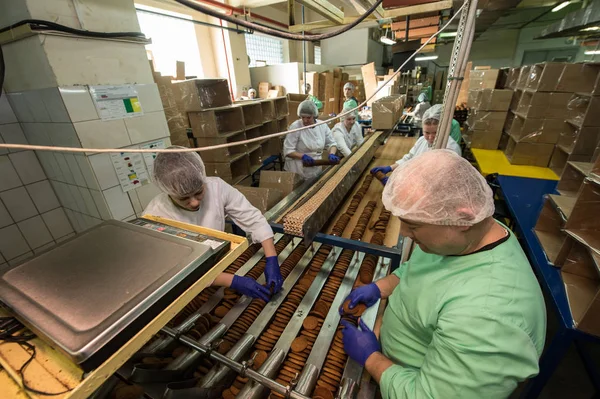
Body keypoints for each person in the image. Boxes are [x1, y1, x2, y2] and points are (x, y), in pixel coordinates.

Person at [341, 150, 546, 399]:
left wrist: (372, 359)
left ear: (463, 219)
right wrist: (383, 286)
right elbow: (423, 267)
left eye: (414, 225)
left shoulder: (489, 315)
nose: (404, 233)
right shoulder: (467, 237)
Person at [144, 148, 283, 302]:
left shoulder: (216, 187)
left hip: (218, 263)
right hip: (188, 283)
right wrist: (232, 281)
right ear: (168, 192)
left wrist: (271, 258)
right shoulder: (155, 216)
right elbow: (173, 270)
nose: (195, 202)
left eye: (198, 192)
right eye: (184, 199)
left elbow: (253, 219)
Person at [370, 104, 461, 185]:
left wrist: (399, 185)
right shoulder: (422, 140)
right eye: (427, 132)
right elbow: (410, 158)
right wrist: (389, 168)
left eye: (435, 133)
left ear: (444, 129)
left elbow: (436, 180)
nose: (430, 137)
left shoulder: (450, 150)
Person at [283, 100, 339, 180]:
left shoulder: (322, 125)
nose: (305, 120)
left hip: (315, 167)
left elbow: (332, 143)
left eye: (308, 118)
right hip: (297, 168)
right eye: (303, 117)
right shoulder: (296, 126)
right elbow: (288, 150)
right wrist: (303, 156)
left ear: (314, 116)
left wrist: (332, 153)